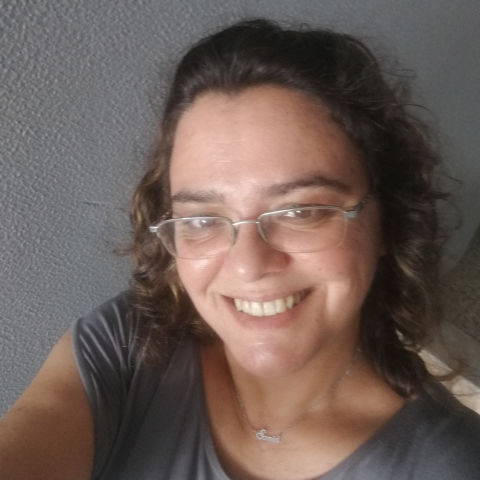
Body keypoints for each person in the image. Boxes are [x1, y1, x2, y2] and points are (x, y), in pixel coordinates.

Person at [1, 18, 479, 480]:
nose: (249, 266)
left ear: (387, 219)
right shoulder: (130, 345)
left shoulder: (451, 464)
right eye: (201, 219)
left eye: (301, 211)